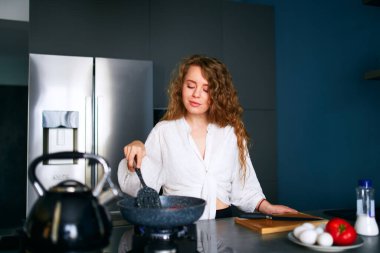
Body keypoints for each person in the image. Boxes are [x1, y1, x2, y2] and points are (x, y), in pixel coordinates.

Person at [118, 54, 296, 219]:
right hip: (179, 222)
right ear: (181, 87)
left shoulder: (230, 132)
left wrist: (268, 207)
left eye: (206, 89)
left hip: (224, 222)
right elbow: (142, 187)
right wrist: (136, 154)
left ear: (218, 94)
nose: (196, 94)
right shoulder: (164, 132)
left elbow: (244, 186)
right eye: (190, 85)